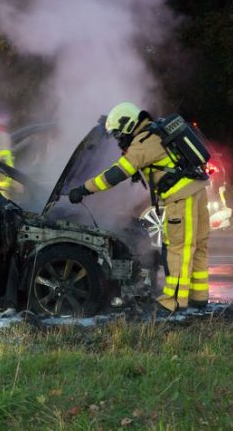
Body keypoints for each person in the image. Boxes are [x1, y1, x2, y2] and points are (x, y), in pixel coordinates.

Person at [68, 102, 210, 314]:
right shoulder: (154, 133)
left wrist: (84, 189)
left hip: (181, 198)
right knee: (197, 245)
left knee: (178, 249)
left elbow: (115, 174)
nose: (117, 139)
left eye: (117, 133)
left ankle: (173, 301)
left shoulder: (143, 144)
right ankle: (199, 296)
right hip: (197, 191)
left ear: (127, 125)